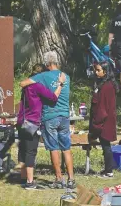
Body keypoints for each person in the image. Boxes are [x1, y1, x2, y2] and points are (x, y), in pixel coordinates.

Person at [20, 51, 75, 190]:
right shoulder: (66, 77)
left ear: (47, 63)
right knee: (66, 148)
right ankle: (71, 179)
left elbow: (23, 83)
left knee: (54, 148)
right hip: (65, 116)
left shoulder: (42, 76)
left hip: (50, 116)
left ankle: (58, 178)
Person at [89, 61, 118, 178]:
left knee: (106, 146)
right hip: (105, 119)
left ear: (105, 72)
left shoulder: (107, 87)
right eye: (96, 70)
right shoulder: (104, 84)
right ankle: (107, 169)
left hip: (105, 120)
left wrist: (97, 123)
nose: (96, 72)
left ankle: (109, 171)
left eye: (98, 70)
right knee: (105, 145)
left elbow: (102, 107)